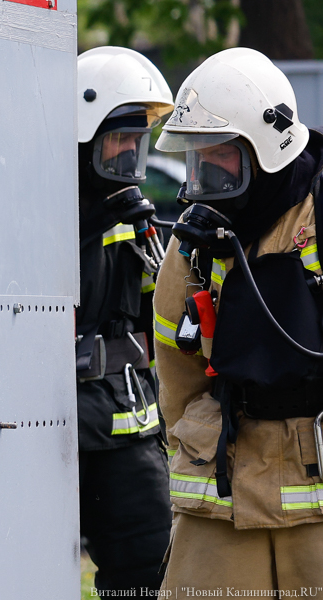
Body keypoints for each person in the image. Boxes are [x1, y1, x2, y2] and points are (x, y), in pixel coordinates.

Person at [153, 47, 323, 594]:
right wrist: (194, 446)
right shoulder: (196, 240)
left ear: (266, 147)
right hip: (221, 488)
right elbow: (175, 370)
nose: (204, 173)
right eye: (196, 156)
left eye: (220, 154)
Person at [75, 46, 174, 597]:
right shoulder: (30, 214)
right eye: (120, 139)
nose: (131, 155)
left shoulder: (134, 220)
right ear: (86, 136)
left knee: (147, 578)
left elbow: (155, 322)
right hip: (41, 434)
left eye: (137, 141)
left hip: (127, 433)